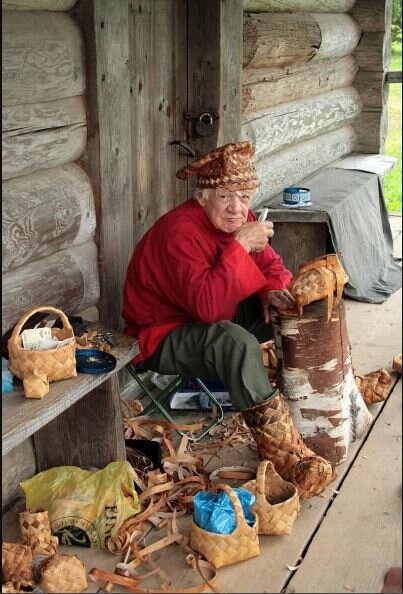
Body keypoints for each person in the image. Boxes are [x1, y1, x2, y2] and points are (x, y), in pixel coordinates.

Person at [123, 141, 335, 498]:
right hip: (161, 334)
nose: (237, 207)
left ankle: (316, 400)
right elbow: (208, 309)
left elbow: (272, 268)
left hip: (206, 316)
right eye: (225, 196)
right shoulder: (180, 232)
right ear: (203, 196)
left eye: (244, 196)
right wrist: (239, 246)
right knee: (235, 343)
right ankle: (282, 452)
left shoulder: (242, 219)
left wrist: (272, 291)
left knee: (294, 307)